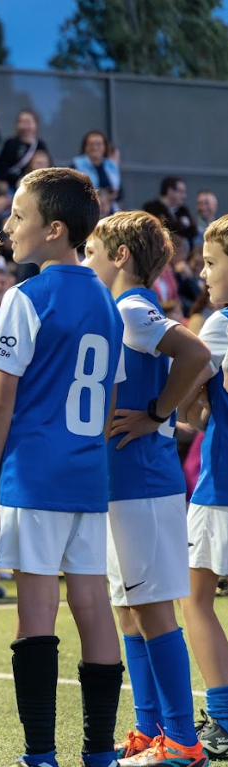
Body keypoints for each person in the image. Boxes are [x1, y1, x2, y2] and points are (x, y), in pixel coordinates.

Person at [0, 168, 124, 767]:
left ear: (54, 229)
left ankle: (40, 752)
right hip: (88, 476)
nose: (8, 226)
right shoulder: (105, 300)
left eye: (18, 215)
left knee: (36, 611)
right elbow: (110, 399)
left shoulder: (26, 295)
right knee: (93, 606)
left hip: (35, 474)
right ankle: (99, 752)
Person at [81, 211, 211, 766]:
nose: (85, 260)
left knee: (153, 608)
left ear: (120, 257)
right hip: (122, 481)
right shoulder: (120, 310)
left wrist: (158, 414)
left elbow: (197, 356)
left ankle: (182, 740)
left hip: (142, 481)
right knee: (129, 609)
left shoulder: (132, 307)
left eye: (91, 250)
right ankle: (150, 732)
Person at [182, 215, 228, 758]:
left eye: (212, 261)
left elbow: (188, 404)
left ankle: (222, 718)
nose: (203, 270)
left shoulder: (219, 323)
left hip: (221, 487)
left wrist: (156, 414)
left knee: (195, 600)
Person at [0, 109, 49, 191]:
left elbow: (47, 168)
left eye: (28, 122)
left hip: (34, 186)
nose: (25, 126)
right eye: (21, 122)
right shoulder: (10, 143)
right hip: (12, 186)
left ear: (36, 125)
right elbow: (2, 169)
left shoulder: (40, 145)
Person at [143, 176, 198, 251]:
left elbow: (193, 231)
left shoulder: (183, 210)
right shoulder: (152, 208)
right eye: (181, 192)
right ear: (170, 191)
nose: (184, 196)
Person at [72, 131, 121, 212]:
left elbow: (120, 193)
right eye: (91, 144)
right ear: (85, 147)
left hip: (110, 211)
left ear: (105, 147)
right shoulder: (76, 165)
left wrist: (110, 197)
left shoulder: (111, 165)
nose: (95, 147)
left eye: (98, 144)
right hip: (86, 211)